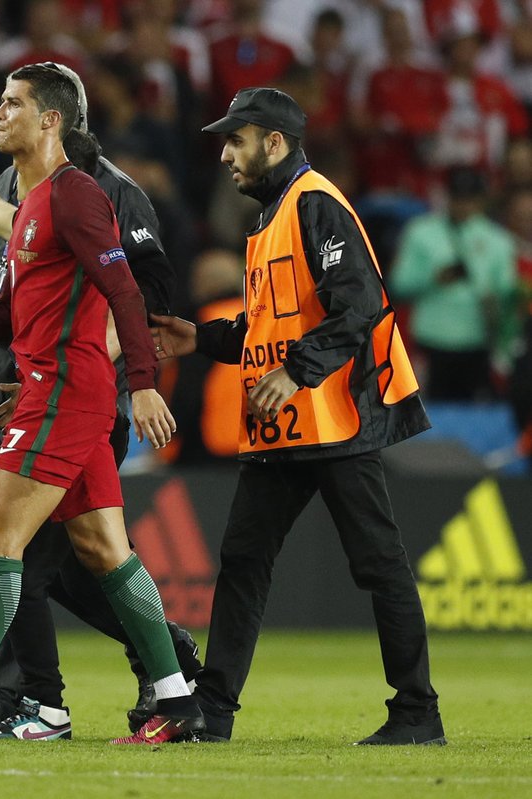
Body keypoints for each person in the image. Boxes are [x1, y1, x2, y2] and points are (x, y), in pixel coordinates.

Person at [0, 62, 204, 745]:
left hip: (60, 393)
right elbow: (1, 307)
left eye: (13, 102)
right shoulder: (34, 206)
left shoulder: (77, 198)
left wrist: (141, 382)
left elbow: (130, 292)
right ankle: (177, 696)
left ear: (50, 120)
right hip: (67, 395)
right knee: (104, 548)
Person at [150, 87, 446, 746]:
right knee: (243, 559)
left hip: (335, 415)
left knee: (378, 563)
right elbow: (267, 328)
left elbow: (360, 304)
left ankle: (418, 710)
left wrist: (296, 372)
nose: (226, 154)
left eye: (237, 140)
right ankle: (215, 710)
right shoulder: (273, 216)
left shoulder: (315, 203)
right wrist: (199, 337)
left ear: (274, 142)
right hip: (288, 422)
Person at [389, 166, 518, 400]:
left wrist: (494, 298)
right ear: (448, 196)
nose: (463, 204)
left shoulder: (499, 240)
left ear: (481, 199)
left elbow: (509, 291)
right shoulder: (420, 232)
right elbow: (398, 283)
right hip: (432, 341)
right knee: (431, 412)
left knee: (478, 415)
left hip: (478, 340)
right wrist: (432, 278)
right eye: (458, 196)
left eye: (469, 197)